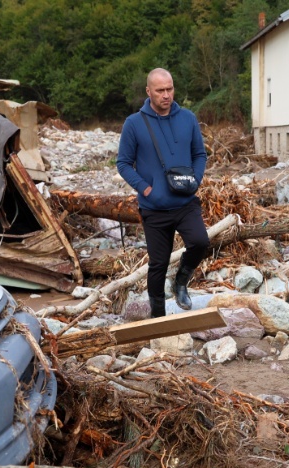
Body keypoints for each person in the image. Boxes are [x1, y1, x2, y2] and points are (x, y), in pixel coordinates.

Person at [116, 68, 208, 318]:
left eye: (170, 89)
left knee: (200, 242)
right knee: (158, 264)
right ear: (149, 91)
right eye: (160, 90)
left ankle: (181, 282)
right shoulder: (134, 123)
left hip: (185, 201)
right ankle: (158, 318)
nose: (166, 95)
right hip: (154, 207)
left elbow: (200, 154)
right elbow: (123, 163)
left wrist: (196, 179)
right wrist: (146, 189)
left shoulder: (187, 118)